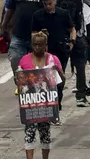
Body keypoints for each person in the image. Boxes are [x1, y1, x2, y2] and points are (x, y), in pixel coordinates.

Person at [19, 30, 61, 159]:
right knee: (29, 134)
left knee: (45, 134)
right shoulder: (25, 60)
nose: (37, 47)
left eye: (40, 45)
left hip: (46, 104)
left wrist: (56, 70)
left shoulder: (52, 59)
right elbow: (19, 81)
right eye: (35, 44)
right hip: (30, 105)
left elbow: (61, 79)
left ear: (46, 45)